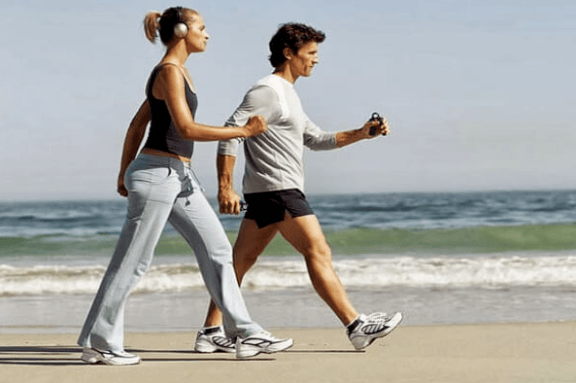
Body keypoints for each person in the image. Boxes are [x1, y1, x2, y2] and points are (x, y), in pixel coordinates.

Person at [77, 7, 293, 365]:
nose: (207, 34)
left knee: (219, 251)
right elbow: (187, 129)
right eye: (202, 27)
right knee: (132, 262)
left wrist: (123, 172)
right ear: (181, 31)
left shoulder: (178, 73)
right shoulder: (168, 73)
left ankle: (245, 333)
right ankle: (101, 340)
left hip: (178, 176)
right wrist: (244, 131)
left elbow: (136, 125)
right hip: (158, 174)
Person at [195, 23, 403, 354]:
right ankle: (355, 325)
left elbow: (315, 139)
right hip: (278, 188)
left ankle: (210, 329)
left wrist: (363, 133)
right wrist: (224, 187)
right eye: (311, 53)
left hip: (267, 191)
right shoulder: (266, 91)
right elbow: (231, 131)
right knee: (317, 250)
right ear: (288, 53)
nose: (316, 60)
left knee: (239, 262)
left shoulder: (288, 93)